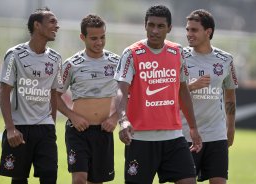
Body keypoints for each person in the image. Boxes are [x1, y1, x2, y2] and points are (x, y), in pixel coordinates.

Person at [114, 5, 202, 184]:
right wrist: (123, 120)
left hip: (174, 137)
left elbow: (183, 90)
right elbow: (121, 90)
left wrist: (193, 127)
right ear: (144, 26)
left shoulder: (177, 51)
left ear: (169, 28)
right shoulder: (131, 53)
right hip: (140, 139)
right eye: (151, 25)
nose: (154, 31)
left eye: (160, 26)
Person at [0, 7, 62, 184]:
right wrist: (10, 128)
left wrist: (52, 125)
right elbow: (4, 92)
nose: (57, 26)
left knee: (50, 176)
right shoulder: (14, 55)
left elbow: (53, 93)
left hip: (45, 128)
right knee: (19, 179)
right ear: (37, 25)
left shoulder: (56, 58)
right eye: (52, 21)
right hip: (20, 127)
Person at [56, 14, 119, 184]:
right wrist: (72, 115)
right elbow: (54, 96)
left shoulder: (116, 62)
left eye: (102, 37)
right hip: (78, 132)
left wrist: (115, 117)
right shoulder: (72, 64)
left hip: (103, 131)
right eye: (93, 38)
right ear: (82, 37)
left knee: (96, 181)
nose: (99, 42)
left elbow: (130, 95)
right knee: (79, 179)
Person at [181, 9, 238, 184]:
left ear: (208, 31)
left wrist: (230, 127)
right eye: (188, 30)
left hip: (216, 134)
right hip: (187, 134)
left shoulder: (225, 59)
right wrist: (191, 86)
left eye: (194, 30)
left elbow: (229, 94)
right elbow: (171, 92)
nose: (189, 34)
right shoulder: (179, 57)